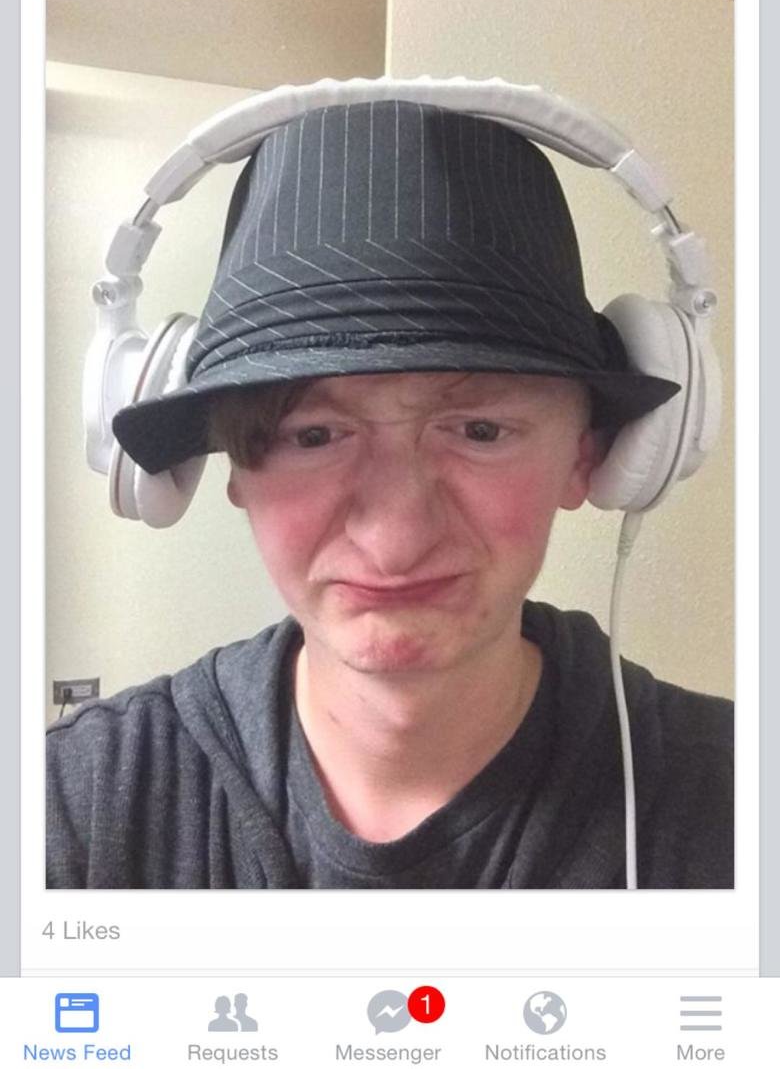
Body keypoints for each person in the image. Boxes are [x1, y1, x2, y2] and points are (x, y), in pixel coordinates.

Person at [46, 98, 733, 890]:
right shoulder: (72, 805)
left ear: (591, 457)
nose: (396, 537)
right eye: (313, 435)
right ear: (232, 467)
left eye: (479, 430)